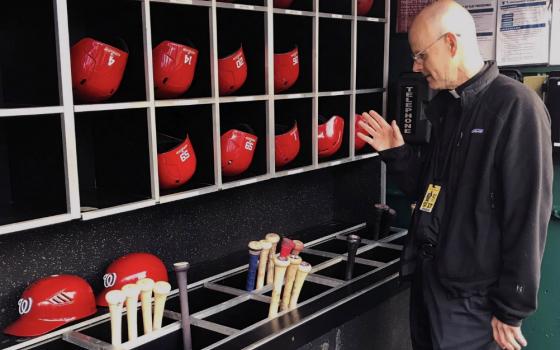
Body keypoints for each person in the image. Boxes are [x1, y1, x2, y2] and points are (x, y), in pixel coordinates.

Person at [357, 1, 553, 350]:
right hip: (430, 285)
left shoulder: (516, 108)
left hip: (472, 305)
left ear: (450, 43)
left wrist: (512, 308)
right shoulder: (450, 109)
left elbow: (527, 216)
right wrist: (397, 154)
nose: (416, 67)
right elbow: (431, 191)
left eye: (420, 55)